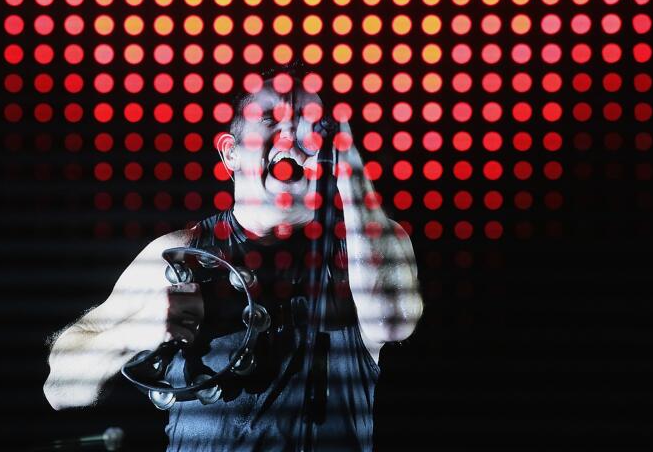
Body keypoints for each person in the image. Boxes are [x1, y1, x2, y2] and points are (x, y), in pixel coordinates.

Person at [43, 64, 423, 451]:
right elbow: (58, 388)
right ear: (231, 153)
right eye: (271, 119)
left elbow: (393, 322)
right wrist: (134, 332)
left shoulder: (366, 242)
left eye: (311, 124)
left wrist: (350, 170)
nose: (292, 134)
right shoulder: (178, 254)